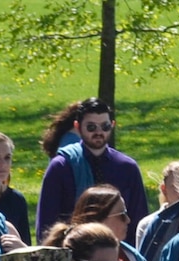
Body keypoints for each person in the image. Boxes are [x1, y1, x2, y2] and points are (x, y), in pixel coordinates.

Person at [35, 97, 149, 244]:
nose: (98, 132)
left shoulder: (127, 168)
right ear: (77, 126)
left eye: (105, 126)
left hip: (120, 255)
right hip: (73, 254)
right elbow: (47, 224)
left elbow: (138, 222)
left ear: (112, 125)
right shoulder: (61, 167)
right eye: (91, 127)